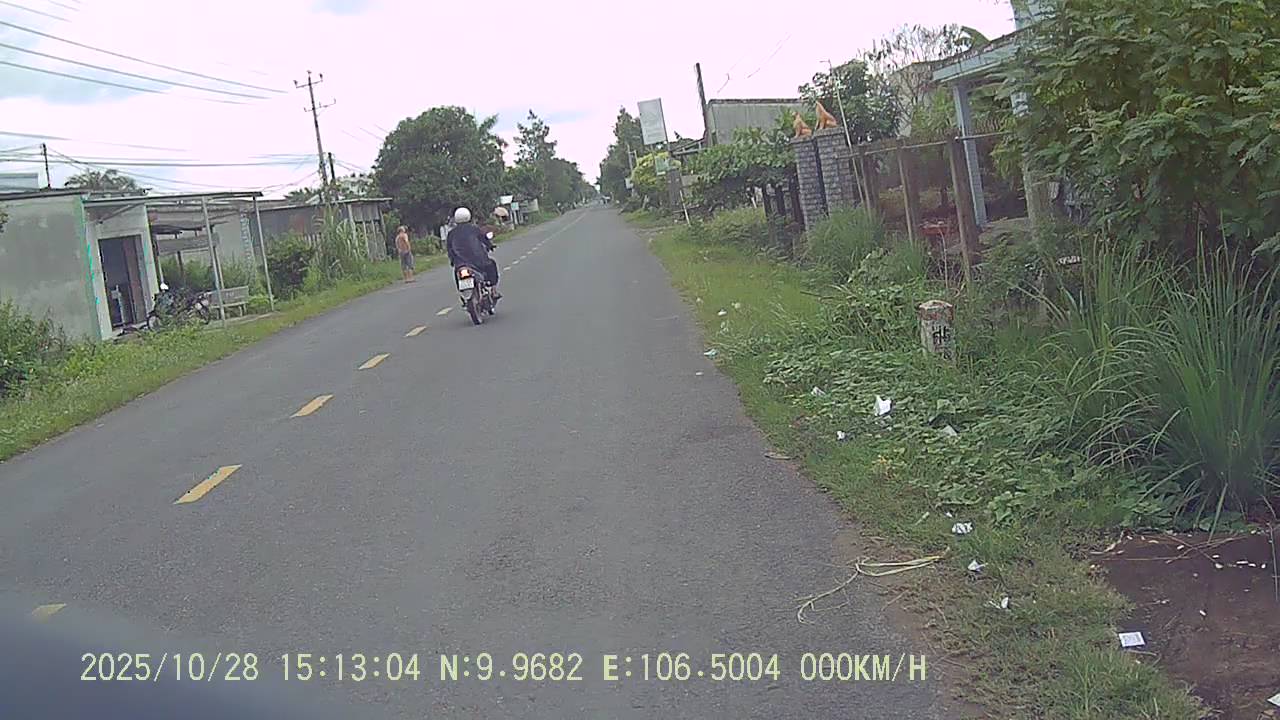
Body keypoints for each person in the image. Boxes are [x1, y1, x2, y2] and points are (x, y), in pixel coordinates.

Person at [445, 207, 500, 299]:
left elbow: (449, 249)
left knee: (457, 273)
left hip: (461, 263)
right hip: (478, 261)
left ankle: (463, 294)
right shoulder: (474, 229)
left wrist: (453, 260)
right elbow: (484, 239)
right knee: (492, 265)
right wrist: (490, 245)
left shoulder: (451, 233)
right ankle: (494, 290)